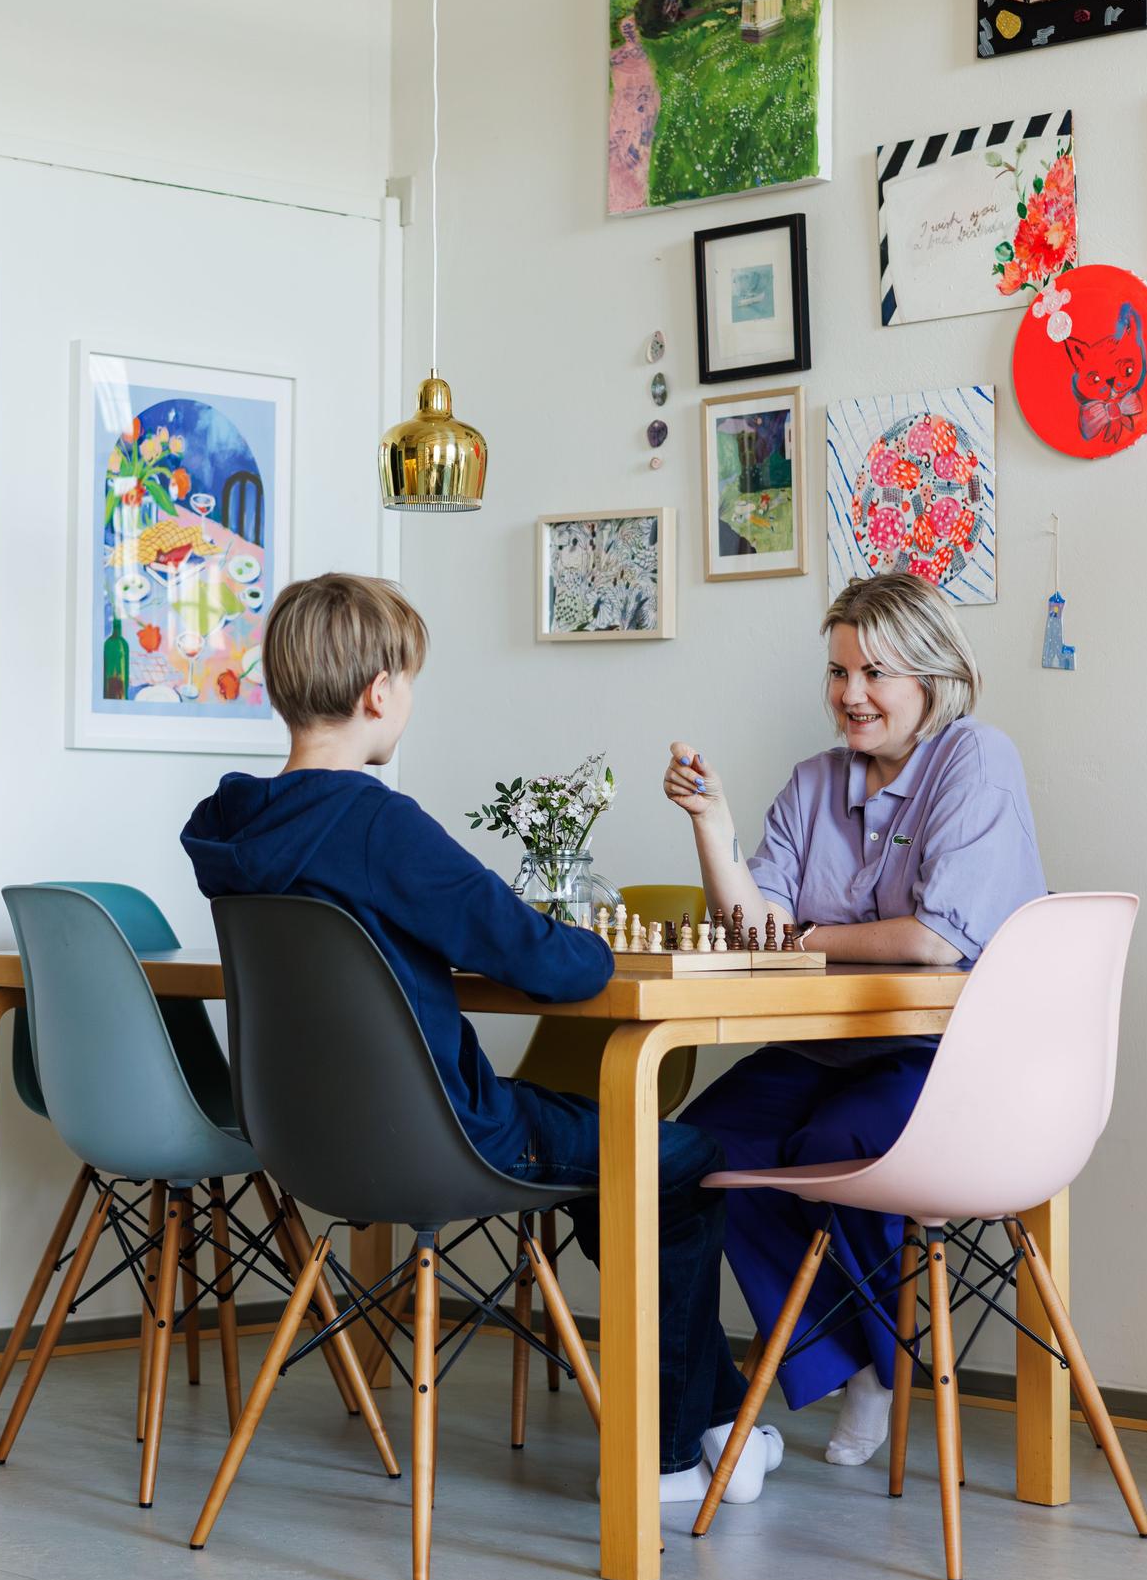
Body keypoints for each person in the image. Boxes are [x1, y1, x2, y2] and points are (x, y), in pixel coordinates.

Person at [183, 571, 782, 1507]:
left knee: (621, 1158)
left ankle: (720, 1420)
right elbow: (554, 965)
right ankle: (671, 1453)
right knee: (679, 1156)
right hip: (456, 1129)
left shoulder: (231, 830)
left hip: (306, 1139)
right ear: (380, 691)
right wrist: (591, 934)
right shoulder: (377, 823)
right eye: (409, 683)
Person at [664, 572, 1046, 1467]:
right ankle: (852, 1363)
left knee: (841, 1140)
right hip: (827, 1047)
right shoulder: (810, 783)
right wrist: (714, 832)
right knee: (695, 1152)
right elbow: (754, 931)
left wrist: (804, 933)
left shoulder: (974, 759)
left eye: (874, 672)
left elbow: (932, 941)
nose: (849, 695)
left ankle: (876, 1363)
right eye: (838, 672)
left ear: (933, 676)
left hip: (951, 1058)